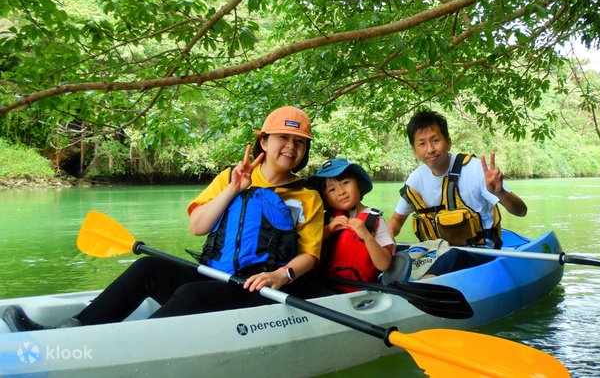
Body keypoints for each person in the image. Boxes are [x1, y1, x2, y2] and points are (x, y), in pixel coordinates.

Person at [2, 106, 325, 332]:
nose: (291, 147)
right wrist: (233, 188)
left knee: (191, 295)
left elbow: (309, 255)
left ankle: (127, 345)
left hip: (257, 286)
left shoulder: (307, 197)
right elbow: (198, 227)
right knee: (149, 268)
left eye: (299, 142)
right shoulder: (230, 176)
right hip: (216, 273)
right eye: (283, 138)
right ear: (264, 141)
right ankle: (72, 329)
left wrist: (280, 275)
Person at [386, 109, 527, 277]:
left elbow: (521, 211)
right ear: (415, 151)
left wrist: (500, 192)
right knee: (399, 254)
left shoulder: (475, 169)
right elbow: (396, 221)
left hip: (480, 254)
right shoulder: (415, 180)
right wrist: (386, 237)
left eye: (435, 140)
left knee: (454, 255)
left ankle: (424, 284)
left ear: (448, 142)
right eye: (422, 144)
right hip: (436, 254)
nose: (430, 149)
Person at [309, 158, 395, 292]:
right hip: (323, 288)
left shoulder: (373, 218)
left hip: (358, 293)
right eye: (332, 190)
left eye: (345, 182)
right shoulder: (323, 220)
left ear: (359, 184)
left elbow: (384, 265)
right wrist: (328, 229)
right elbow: (307, 248)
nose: (341, 192)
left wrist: (367, 237)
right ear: (324, 198)